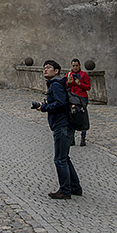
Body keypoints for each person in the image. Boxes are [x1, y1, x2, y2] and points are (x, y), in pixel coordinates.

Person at [33, 60, 82, 200]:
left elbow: (60, 103)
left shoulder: (55, 84)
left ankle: (65, 190)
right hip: (64, 124)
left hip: (62, 124)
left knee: (60, 159)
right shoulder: (57, 84)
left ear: (56, 71)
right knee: (64, 157)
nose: (45, 70)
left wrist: (44, 107)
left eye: (48, 68)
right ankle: (75, 187)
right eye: (44, 68)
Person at [66, 58, 91, 145]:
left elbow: (88, 87)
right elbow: (65, 85)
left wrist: (79, 83)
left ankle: (83, 139)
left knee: (82, 117)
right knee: (71, 117)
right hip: (72, 98)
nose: (75, 67)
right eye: (73, 66)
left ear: (79, 66)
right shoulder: (69, 74)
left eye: (76, 65)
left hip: (82, 98)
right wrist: (69, 83)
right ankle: (72, 139)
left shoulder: (84, 75)